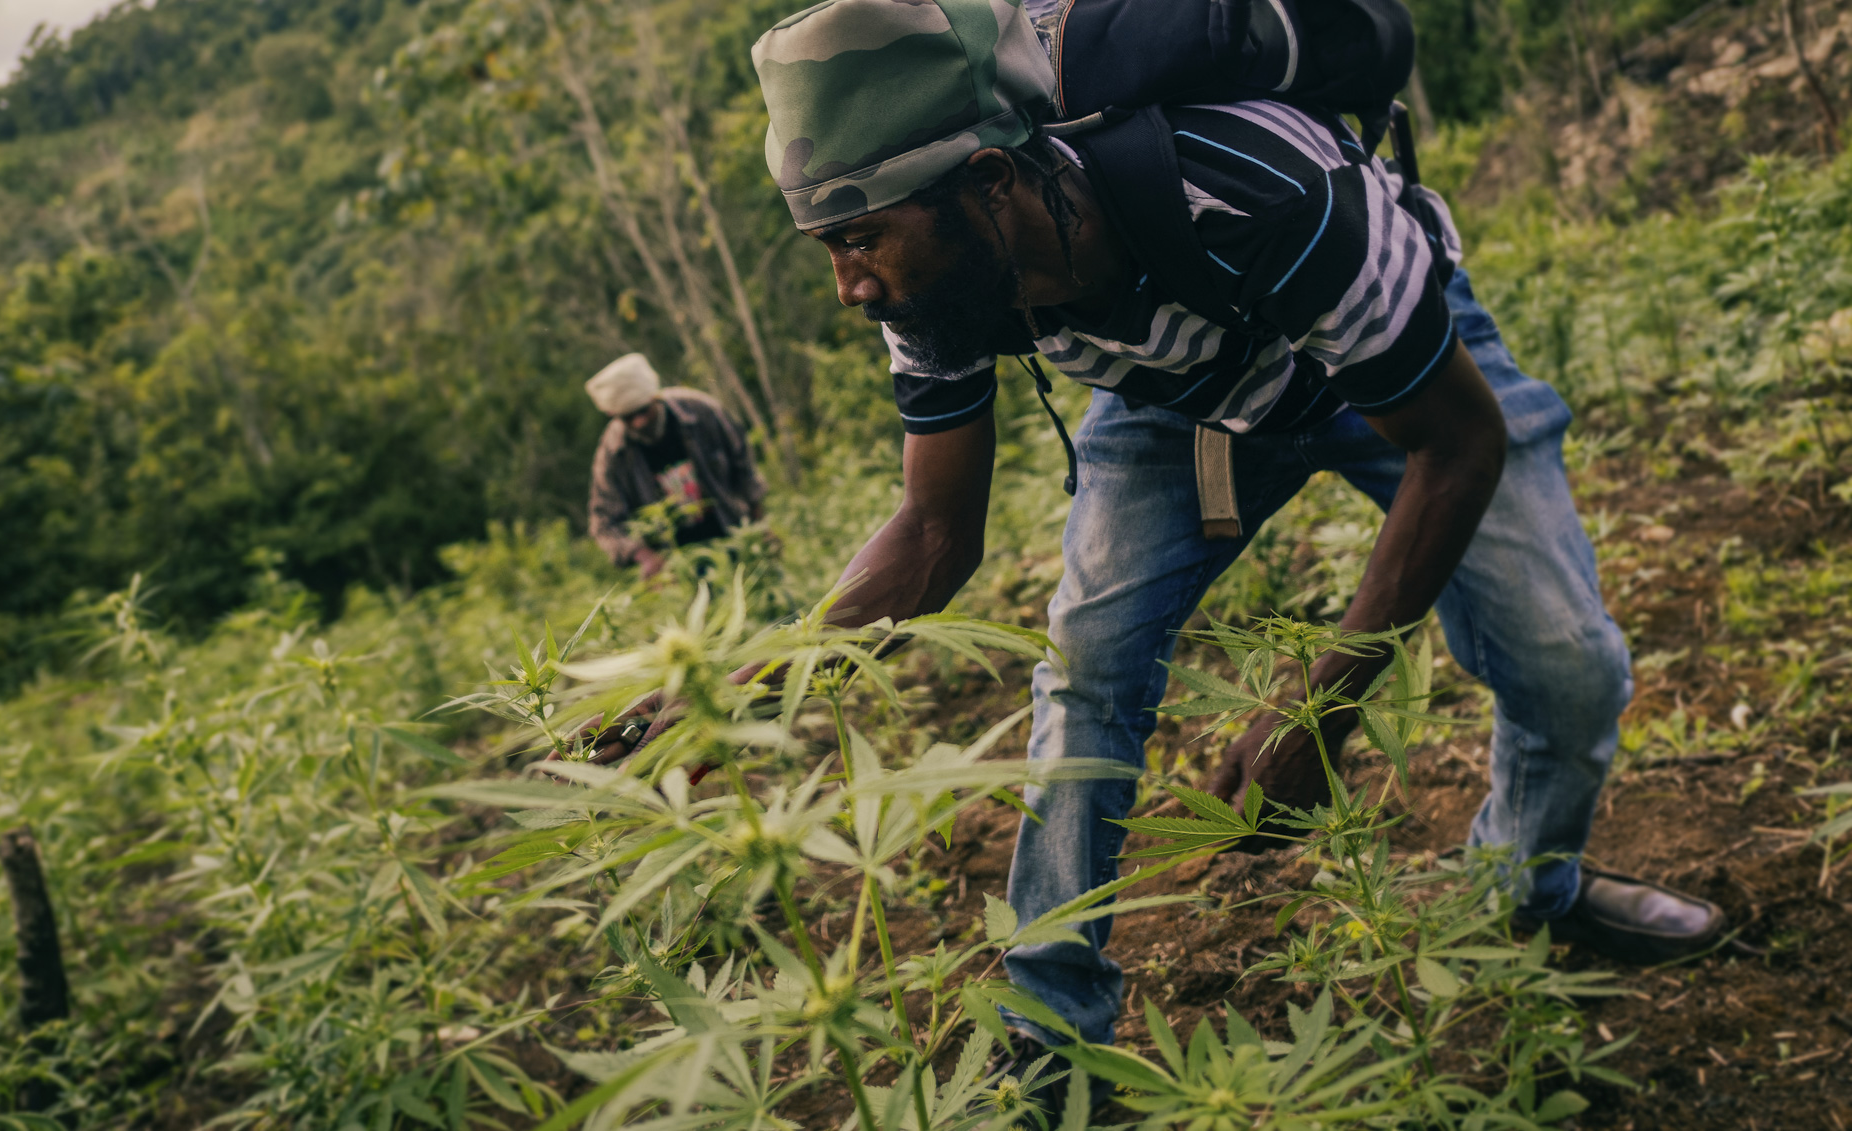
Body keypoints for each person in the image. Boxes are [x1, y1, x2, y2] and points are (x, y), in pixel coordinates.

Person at [737, 0, 1730, 1074]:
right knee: (1084, 680)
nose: (853, 287)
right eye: (831, 247)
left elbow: (1457, 446)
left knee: (1567, 662)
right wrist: (744, 685)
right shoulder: (933, 281)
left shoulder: (1258, 186)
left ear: (990, 183)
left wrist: (1322, 708)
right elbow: (935, 533)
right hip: (1174, 404)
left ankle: (1531, 891)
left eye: (862, 239)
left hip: (1390, 376)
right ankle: (1053, 1037)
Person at [585, 353, 767, 580]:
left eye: (642, 410)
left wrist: (761, 528)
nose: (638, 422)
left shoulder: (702, 413)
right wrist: (644, 556)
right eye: (628, 417)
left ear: (655, 397)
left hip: (735, 536)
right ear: (613, 414)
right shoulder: (614, 454)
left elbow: (744, 469)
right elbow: (604, 522)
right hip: (679, 567)